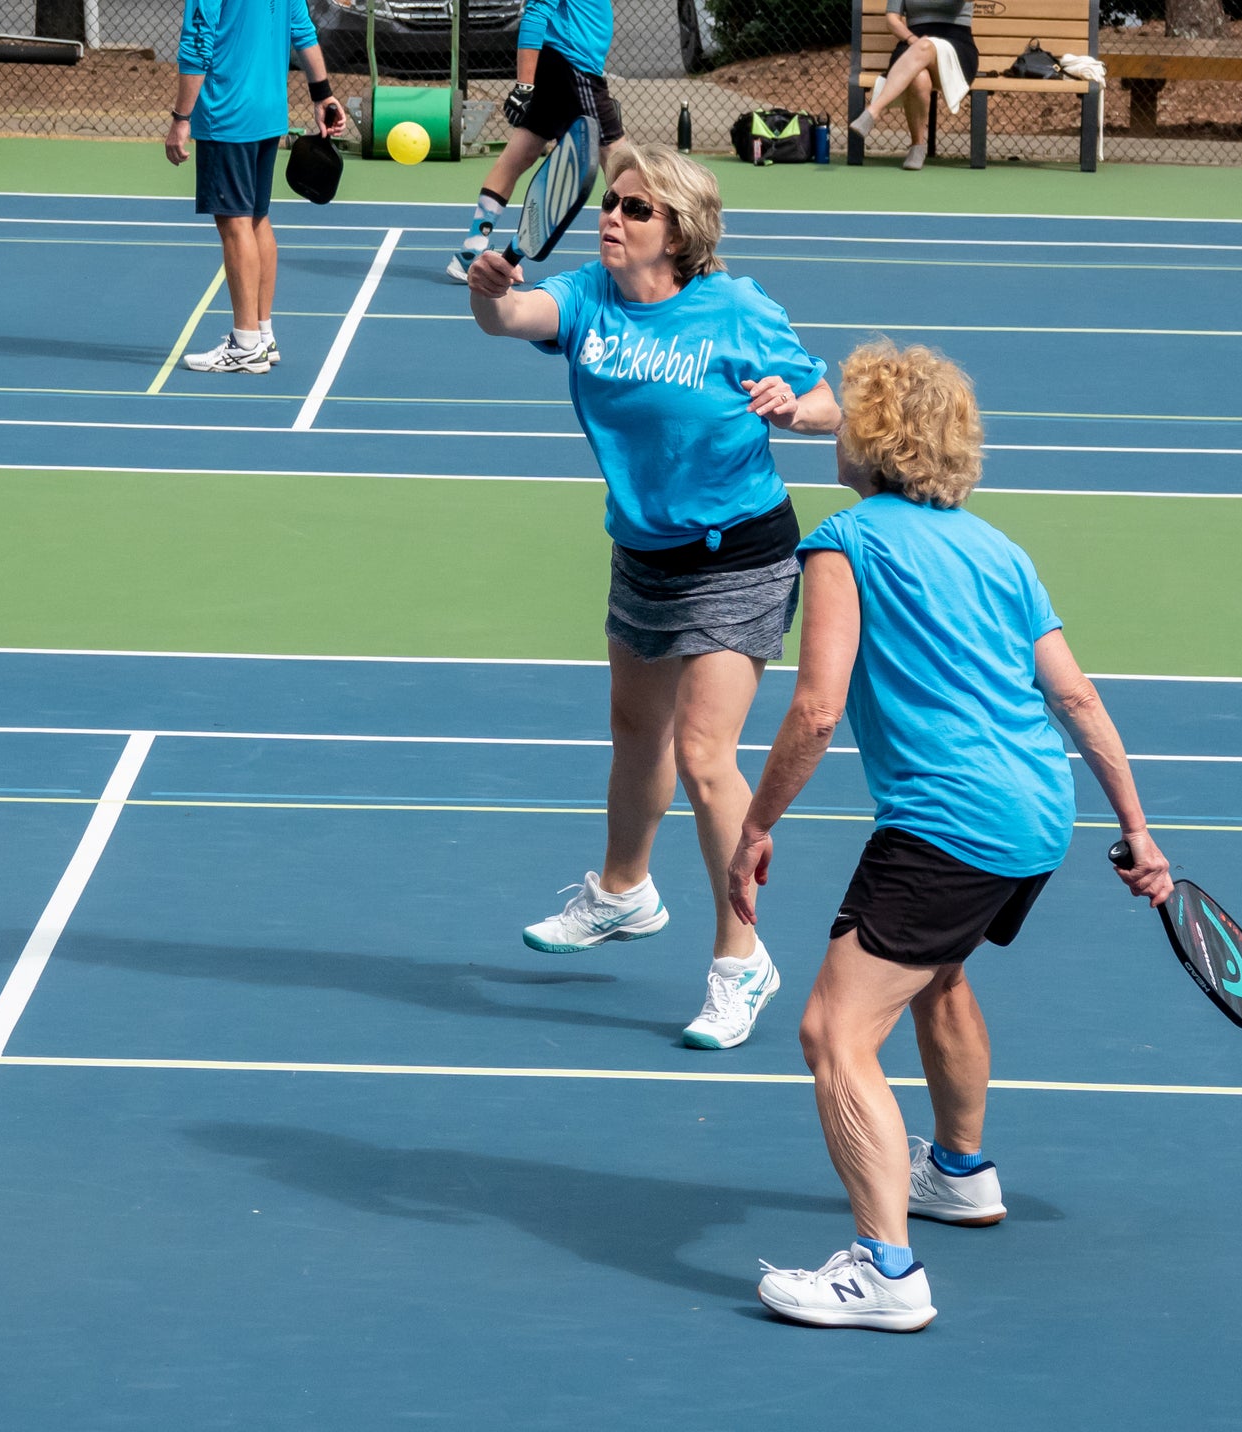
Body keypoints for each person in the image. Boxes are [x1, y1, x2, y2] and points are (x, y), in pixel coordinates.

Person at [728, 340, 1173, 1330]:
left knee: (833, 1033)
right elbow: (1075, 695)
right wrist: (1138, 831)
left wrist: (755, 825)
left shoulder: (846, 541)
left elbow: (816, 709)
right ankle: (960, 1172)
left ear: (876, 434)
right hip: (1034, 817)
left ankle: (885, 1271)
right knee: (936, 974)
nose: (835, 420)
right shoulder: (999, 549)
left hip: (946, 822)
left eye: (848, 409)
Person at [466, 142, 841, 1050]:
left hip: (738, 553)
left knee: (707, 756)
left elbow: (827, 399)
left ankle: (740, 961)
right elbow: (509, 315)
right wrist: (486, 287)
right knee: (636, 733)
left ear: (679, 231)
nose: (614, 218)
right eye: (613, 203)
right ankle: (624, 892)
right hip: (643, 554)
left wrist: (793, 409)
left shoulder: (736, 307)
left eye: (636, 209)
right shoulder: (589, 297)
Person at [167, 0, 346, 374]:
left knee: (235, 223)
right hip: (269, 112)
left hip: (227, 113)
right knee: (257, 218)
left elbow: (198, 40)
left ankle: (245, 343)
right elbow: (301, 27)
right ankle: (262, 335)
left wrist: (181, 118)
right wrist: (322, 94)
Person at [446, 0, 624, 282]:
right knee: (619, 157)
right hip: (574, 67)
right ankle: (639, 252)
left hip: (565, 66)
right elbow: (536, 14)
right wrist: (524, 87)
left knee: (519, 155)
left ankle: (471, 251)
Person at [848, 0, 978, 170]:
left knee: (924, 46)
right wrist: (910, 39)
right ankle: (917, 146)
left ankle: (873, 111)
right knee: (918, 77)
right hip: (912, 45)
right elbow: (892, 19)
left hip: (955, 46)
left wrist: (918, 43)